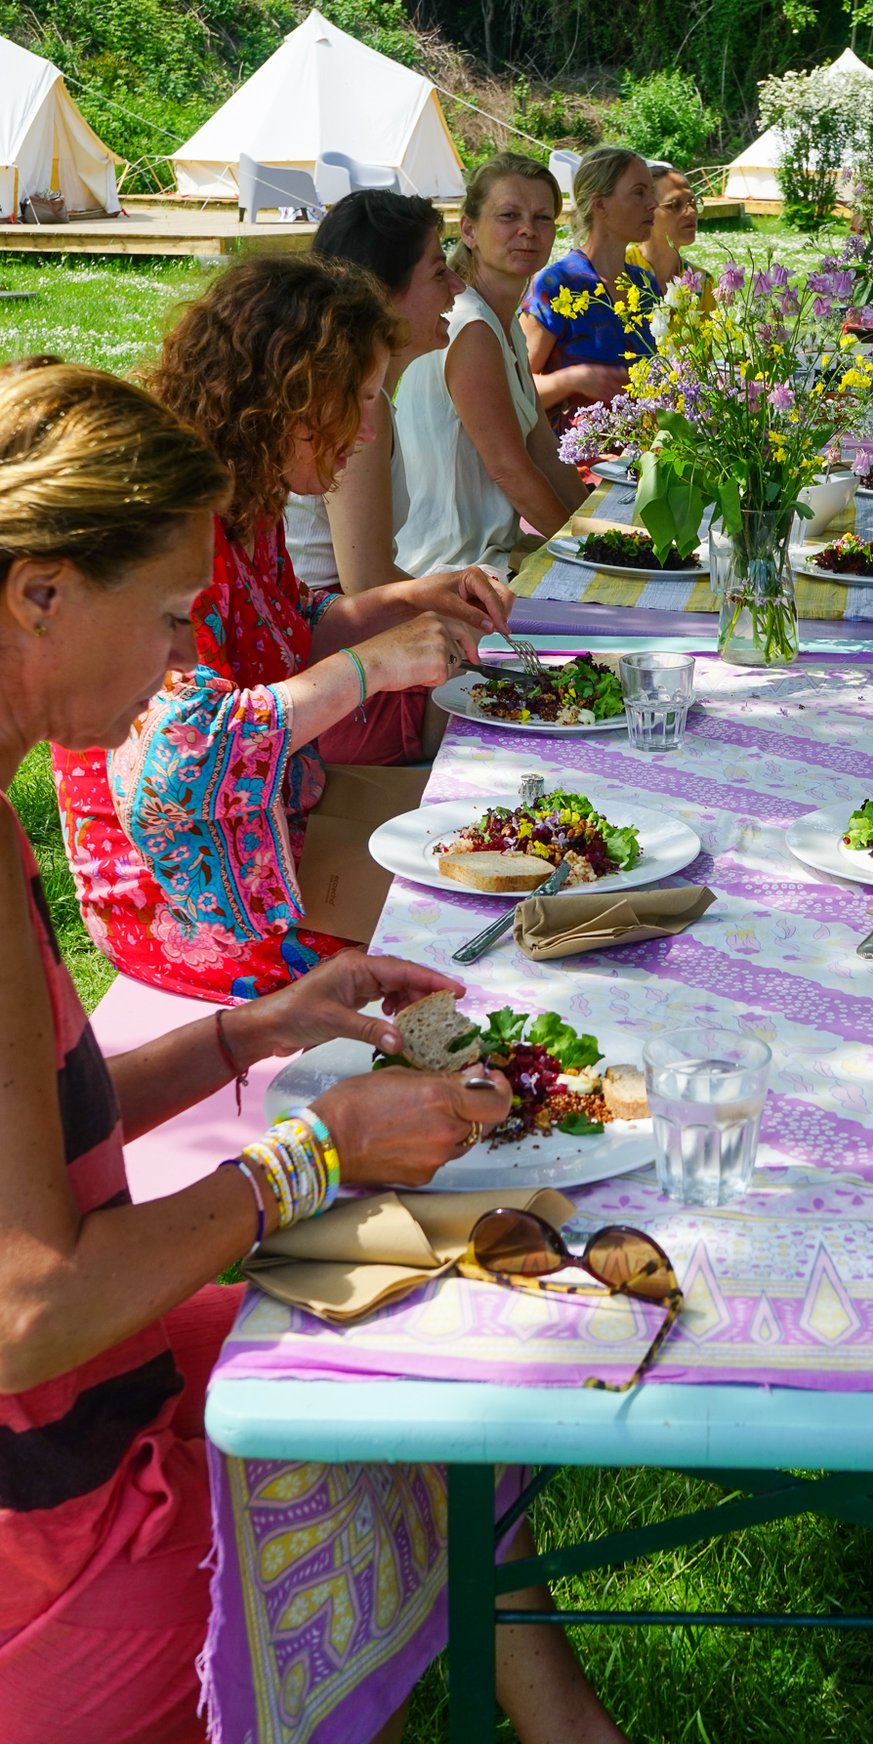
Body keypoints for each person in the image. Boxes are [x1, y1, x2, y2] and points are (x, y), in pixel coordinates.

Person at [0, 357, 627, 1744]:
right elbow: (27, 1312)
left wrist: (253, 1028)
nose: (182, 659)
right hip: (52, 1528)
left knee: (443, 1344)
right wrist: (314, 1151)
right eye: (170, 618)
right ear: (41, 593)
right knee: (423, 1394)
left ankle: (564, 1726)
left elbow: (37, 1136)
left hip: (80, 1407)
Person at [52, 257, 512, 1003]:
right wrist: (373, 665)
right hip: (184, 900)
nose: (369, 429)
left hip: (275, 840)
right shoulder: (172, 530)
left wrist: (402, 600)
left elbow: (288, 626)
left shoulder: (249, 497)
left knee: (497, 883)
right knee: (465, 953)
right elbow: (182, 760)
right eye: (359, 399)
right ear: (285, 398)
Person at [394, 154, 587, 574]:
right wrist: (588, 553)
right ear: (469, 230)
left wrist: (596, 532)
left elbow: (545, 451)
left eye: (542, 218)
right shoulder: (471, 324)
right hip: (450, 565)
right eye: (508, 215)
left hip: (495, 552)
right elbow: (510, 471)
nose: (528, 230)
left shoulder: (505, 323)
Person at [286, 188, 468, 591]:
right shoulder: (353, 400)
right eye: (439, 272)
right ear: (381, 294)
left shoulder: (358, 389)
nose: (458, 285)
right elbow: (366, 582)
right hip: (322, 618)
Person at [521, 145, 661, 428]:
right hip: (574, 454)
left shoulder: (645, 285)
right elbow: (515, 391)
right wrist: (572, 380)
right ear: (600, 205)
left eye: (651, 192)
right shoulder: (557, 285)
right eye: (639, 192)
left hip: (647, 451)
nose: (653, 203)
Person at [627, 163, 716, 307]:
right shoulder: (620, 273)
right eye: (675, 204)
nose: (691, 212)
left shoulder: (703, 283)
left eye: (693, 202)